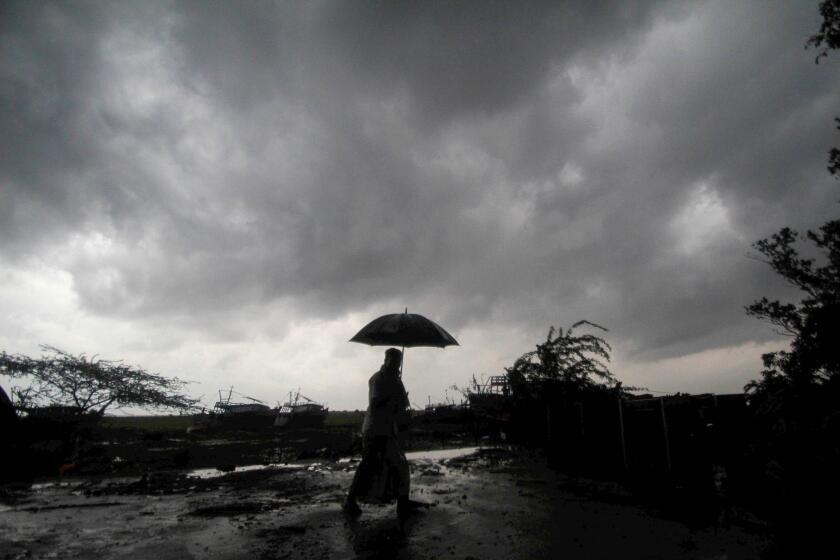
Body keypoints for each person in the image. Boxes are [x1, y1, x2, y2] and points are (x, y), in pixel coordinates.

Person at [343, 348, 417, 519]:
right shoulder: (377, 379)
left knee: (400, 466)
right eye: (394, 361)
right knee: (368, 466)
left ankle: (403, 503)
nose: (397, 365)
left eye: (399, 362)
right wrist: (393, 393)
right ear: (387, 360)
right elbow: (375, 401)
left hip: (387, 430)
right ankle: (350, 501)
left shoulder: (394, 380)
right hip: (375, 430)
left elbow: (401, 405)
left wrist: (400, 395)